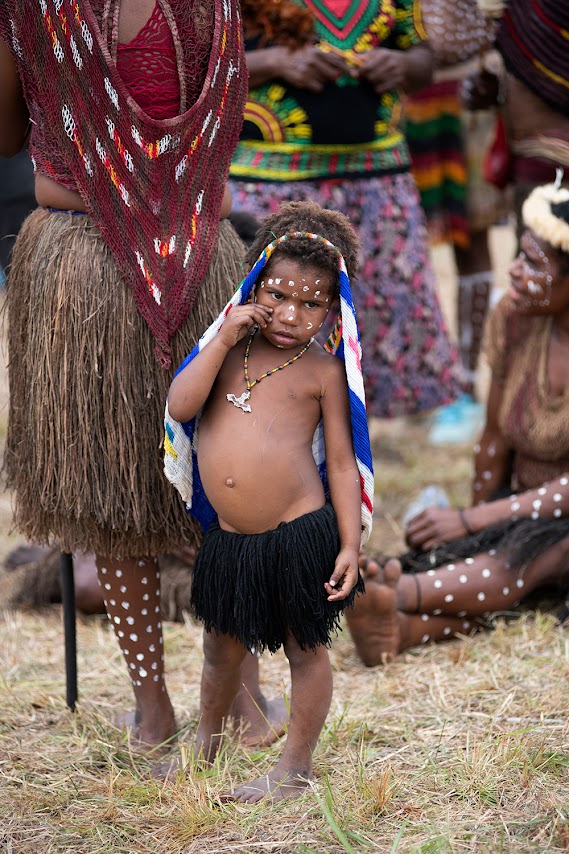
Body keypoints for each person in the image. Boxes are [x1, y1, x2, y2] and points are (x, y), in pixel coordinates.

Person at [0, 0, 271, 758]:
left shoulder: (38, 11)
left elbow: (5, 134)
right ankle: (242, 697)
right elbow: (222, 131)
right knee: (220, 486)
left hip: (84, 258)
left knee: (112, 501)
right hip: (198, 252)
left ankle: (153, 710)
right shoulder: (210, 8)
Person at [165, 200, 373, 801]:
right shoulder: (226, 350)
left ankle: (294, 768)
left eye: (312, 304)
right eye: (279, 295)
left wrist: (351, 544)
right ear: (255, 286)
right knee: (219, 646)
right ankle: (206, 744)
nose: (290, 314)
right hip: (228, 538)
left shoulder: (322, 372)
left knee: (303, 648)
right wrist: (225, 334)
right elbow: (180, 407)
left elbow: (339, 461)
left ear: (333, 310)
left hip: (297, 531)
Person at [347, 176, 569, 665]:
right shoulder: (516, 318)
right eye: (516, 255)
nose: (511, 272)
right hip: (516, 508)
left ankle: (399, 594)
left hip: (560, 523)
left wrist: (473, 520)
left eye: (531, 263)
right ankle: (398, 631)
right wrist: (469, 531)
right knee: (491, 571)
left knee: (520, 565)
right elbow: (494, 439)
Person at [228, 0, 465, 420]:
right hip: (269, 188)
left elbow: (423, 58)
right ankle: (269, 444)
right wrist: (277, 61)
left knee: (379, 318)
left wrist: (402, 65)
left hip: (377, 184)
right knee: (275, 319)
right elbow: (201, 64)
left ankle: (356, 449)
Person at [404, 0, 508, 444]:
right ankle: (422, 388)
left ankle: (466, 387)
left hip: (467, 100)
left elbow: (481, 28)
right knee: (405, 251)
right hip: (402, 108)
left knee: (472, 245)